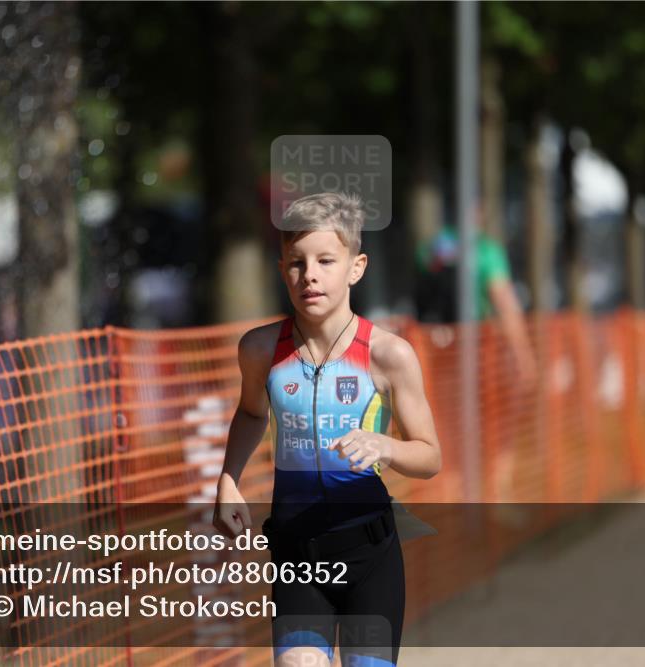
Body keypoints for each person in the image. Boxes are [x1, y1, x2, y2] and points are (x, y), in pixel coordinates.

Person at [214, 191, 442, 667]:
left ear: (356, 267)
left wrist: (385, 445)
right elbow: (253, 413)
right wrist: (228, 480)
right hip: (297, 557)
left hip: (369, 557)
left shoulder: (388, 355)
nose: (310, 275)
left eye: (325, 260)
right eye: (296, 263)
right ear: (282, 270)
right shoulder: (260, 350)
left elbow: (429, 456)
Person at [416, 200, 537, 510]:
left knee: (450, 429)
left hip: (439, 354)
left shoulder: (436, 246)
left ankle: (455, 501)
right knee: (498, 424)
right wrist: (523, 355)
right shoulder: (487, 251)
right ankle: (498, 497)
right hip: (481, 354)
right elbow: (505, 302)